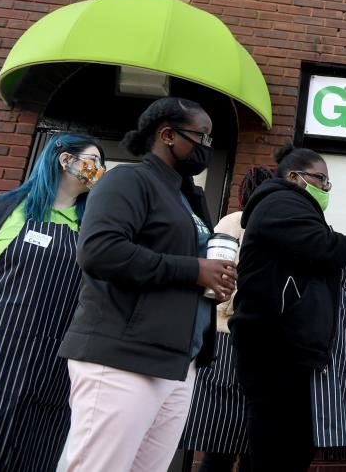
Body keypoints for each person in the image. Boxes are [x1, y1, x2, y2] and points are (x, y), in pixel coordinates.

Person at [59, 97, 237, 471]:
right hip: (123, 357)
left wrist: (213, 279)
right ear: (167, 134)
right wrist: (193, 270)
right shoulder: (128, 179)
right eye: (201, 137)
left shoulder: (188, 197)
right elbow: (100, 252)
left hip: (177, 362)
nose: (207, 147)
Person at [230, 144, 346, 472]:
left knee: (289, 447)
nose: (326, 188)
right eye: (321, 179)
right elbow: (321, 243)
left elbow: (315, 251)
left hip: (289, 349)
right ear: (294, 177)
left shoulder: (293, 209)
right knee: (277, 448)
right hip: (274, 346)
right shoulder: (280, 201)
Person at [0, 134, 104, 470]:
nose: (99, 170)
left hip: (54, 365)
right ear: (65, 159)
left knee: (35, 451)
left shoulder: (92, 229)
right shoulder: (3, 209)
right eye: (93, 161)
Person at [180, 165, 274, 472]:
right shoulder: (247, 223)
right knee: (243, 448)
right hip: (242, 340)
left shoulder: (233, 222)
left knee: (219, 447)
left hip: (225, 338)